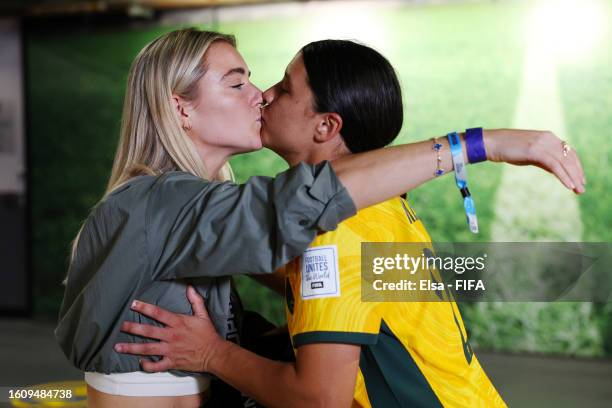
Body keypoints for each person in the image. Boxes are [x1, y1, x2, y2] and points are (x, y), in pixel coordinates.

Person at [115, 39, 584, 407]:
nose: (266, 96)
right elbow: (359, 305)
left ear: (325, 127)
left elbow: (317, 400)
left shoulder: (338, 229)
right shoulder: (381, 206)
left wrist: (211, 353)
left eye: (284, 86)